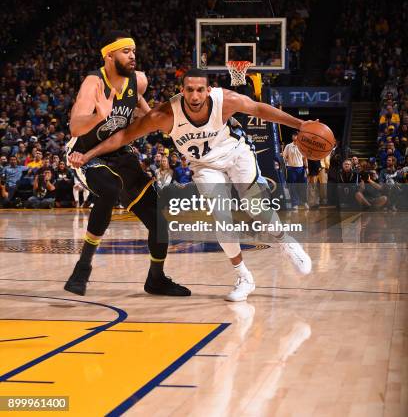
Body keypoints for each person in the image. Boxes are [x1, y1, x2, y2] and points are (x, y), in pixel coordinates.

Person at [69, 69, 314, 302]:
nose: (195, 96)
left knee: (255, 208)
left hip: (237, 154)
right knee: (222, 216)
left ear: (209, 90)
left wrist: (299, 125)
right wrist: (88, 155)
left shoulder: (225, 100)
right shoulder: (165, 115)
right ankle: (243, 276)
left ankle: (286, 242)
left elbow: (260, 109)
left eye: (199, 90)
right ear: (182, 90)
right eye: (189, 90)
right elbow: (122, 137)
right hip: (204, 165)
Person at [65, 31, 190, 297]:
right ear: (109, 55)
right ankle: (82, 267)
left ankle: (156, 279)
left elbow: (140, 106)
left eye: (134, 51)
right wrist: (98, 115)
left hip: (120, 152)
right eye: (125, 51)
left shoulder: (139, 80)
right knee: (109, 189)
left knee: (159, 221)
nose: (132, 55)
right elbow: (76, 126)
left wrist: (160, 121)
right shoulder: (93, 83)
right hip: (87, 154)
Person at [282, 132, 308, 211]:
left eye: (296, 135)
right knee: (292, 187)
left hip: (301, 169)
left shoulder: (302, 146)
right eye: (294, 135)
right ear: (292, 136)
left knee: (302, 186)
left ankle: (304, 202)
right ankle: (295, 203)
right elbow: (284, 156)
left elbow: (304, 158)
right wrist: (287, 161)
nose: (295, 136)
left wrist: (306, 168)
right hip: (291, 169)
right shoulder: (288, 146)